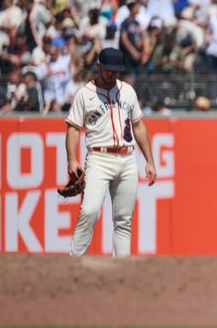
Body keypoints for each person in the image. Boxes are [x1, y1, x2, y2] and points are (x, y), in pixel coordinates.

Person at [64, 48, 157, 257]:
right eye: (108, 70)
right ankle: (72, 262)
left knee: (123, 220)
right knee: (89, 211)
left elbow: (139, 126)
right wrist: (72, 159)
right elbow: (73, 128)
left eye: (116, 70)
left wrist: (149, 161)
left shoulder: (127, 91)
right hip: (99, 158)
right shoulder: (85, 94)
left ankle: (121, 270)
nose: (112, 74)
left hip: (127, 158)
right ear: (98, 67)